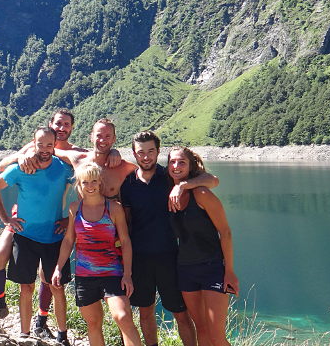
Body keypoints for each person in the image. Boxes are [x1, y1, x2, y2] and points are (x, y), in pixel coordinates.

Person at [0, 109, 121, 339]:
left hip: (54, 228)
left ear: (72, 128)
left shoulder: (69, 159)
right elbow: (1, 171)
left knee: (52, 282)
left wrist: (114, 151)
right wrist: (21, 158)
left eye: (67, 124)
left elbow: (88, 175)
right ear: (46, 129)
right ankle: (8, 311)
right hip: (25, 227)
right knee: (2, 261)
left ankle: (51, 326)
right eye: (58, 123)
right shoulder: (30, 154)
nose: (62, 128)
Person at [120, 131, 219, 346]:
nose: (146, 157)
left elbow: (211, 180)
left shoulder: (169, 177)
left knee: (180, 313)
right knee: (145, 313)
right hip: (140, 258)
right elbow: (126, 223)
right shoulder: (128, 184)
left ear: (158, 152)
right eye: (141, 152)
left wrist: (182, 185)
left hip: (171, 257)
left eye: (151, 151)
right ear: (134, 154)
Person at [0, 126, 74, 345]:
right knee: (26, 287)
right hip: (25, 237)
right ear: (32, 144)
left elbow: (87, 186)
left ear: (55, 145)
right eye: (40, 144)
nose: (44, 149)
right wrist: (6, 219)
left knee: (57, 287)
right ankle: (24, 335)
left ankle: (62, 336)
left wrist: (69, 219)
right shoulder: (21, 168)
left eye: (49, 144)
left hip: (54, 237)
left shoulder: (63, 168)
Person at [52, 162, 141, 346]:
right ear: (79, 184)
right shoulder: (74, 208)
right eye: (85, 182)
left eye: (94, 181)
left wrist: (127, 274)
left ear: (100, 182)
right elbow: (69, 240)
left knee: (123, 317)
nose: (90, 186)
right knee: (93, 324)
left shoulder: (114, 208)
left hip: (113, 273)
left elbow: (125, 241)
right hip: (85, 276)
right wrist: (58, 268)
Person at [168, 146, 238, 346]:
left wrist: (229, 271)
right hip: (185, 269)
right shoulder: (168, 193)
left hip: (212, 269)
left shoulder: (201, 193)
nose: (176, 166)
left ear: (190, 166)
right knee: (202, 330)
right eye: (172, 162)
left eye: (182, 162)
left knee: (217, 335)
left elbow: (225, 232)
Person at [54, 118, 135, 198]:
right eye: (98, 135)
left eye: (107, 136)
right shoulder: (78, 159)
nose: (102, 140)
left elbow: (145, 171)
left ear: (114, 139)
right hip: (82, 210)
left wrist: (115, 151)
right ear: (91, 137)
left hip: (112, 210)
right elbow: (51, 150)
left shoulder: (123, 167)